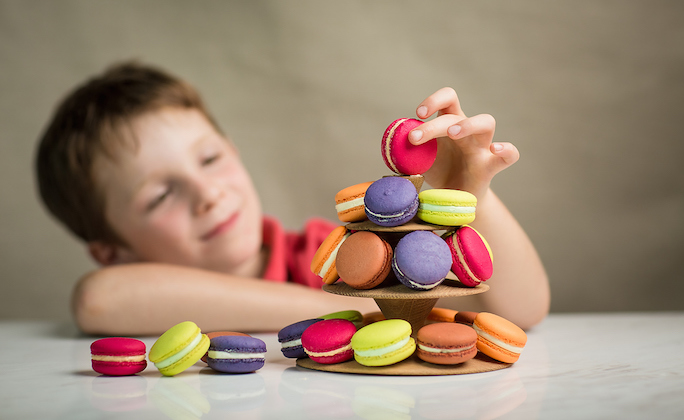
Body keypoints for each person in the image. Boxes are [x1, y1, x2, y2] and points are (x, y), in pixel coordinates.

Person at [35, 62, 549, 336]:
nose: (208, 194)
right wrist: (345, 313)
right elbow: (98, 300)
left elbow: (524, 311)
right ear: (112, 251)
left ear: (234, 152)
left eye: (210, 159)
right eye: (161, 194)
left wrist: (469, 196)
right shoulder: (344, 288)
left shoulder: (344, 257)